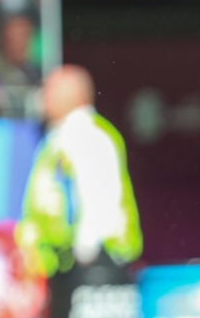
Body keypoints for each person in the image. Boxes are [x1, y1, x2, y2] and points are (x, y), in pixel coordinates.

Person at [16, 64, 142, 278]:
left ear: (75, 94)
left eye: (50, 89)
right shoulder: (56, 137)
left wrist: (85, 252)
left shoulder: (89, 134)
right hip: (62, 264)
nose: (42, 96)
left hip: (93, 264)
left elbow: (99, 198)